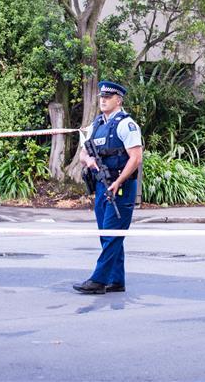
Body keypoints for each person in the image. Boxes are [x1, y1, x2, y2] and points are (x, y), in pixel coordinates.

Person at [74, 80, 143, 294]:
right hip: (102, 185)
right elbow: (84, 151)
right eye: (101, 97)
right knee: (107, 233)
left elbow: (136, 158)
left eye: (108, 97)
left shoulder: (126, 124)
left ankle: (99, 280)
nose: (103, 100)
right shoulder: (97, 124)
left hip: (120, 187)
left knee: (113, 233)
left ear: (118, 100)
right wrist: (89, 161)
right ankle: (116, 279)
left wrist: (119, 181)